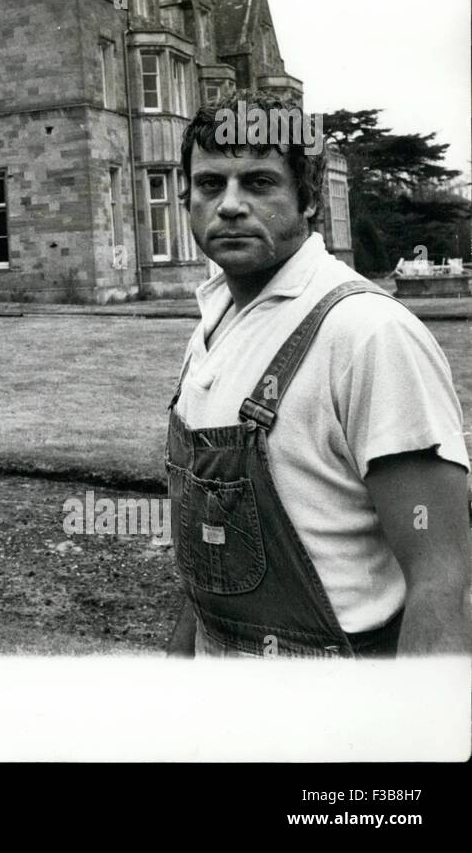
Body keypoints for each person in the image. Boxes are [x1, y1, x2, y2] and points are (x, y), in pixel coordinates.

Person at [164, 93, 471, 657]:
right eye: (210, 184)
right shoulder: (214, 322)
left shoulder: (369, 333)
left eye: (258, 183)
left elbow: (444, 577)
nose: (229, 205)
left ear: (307, 201)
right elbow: (209, 562)